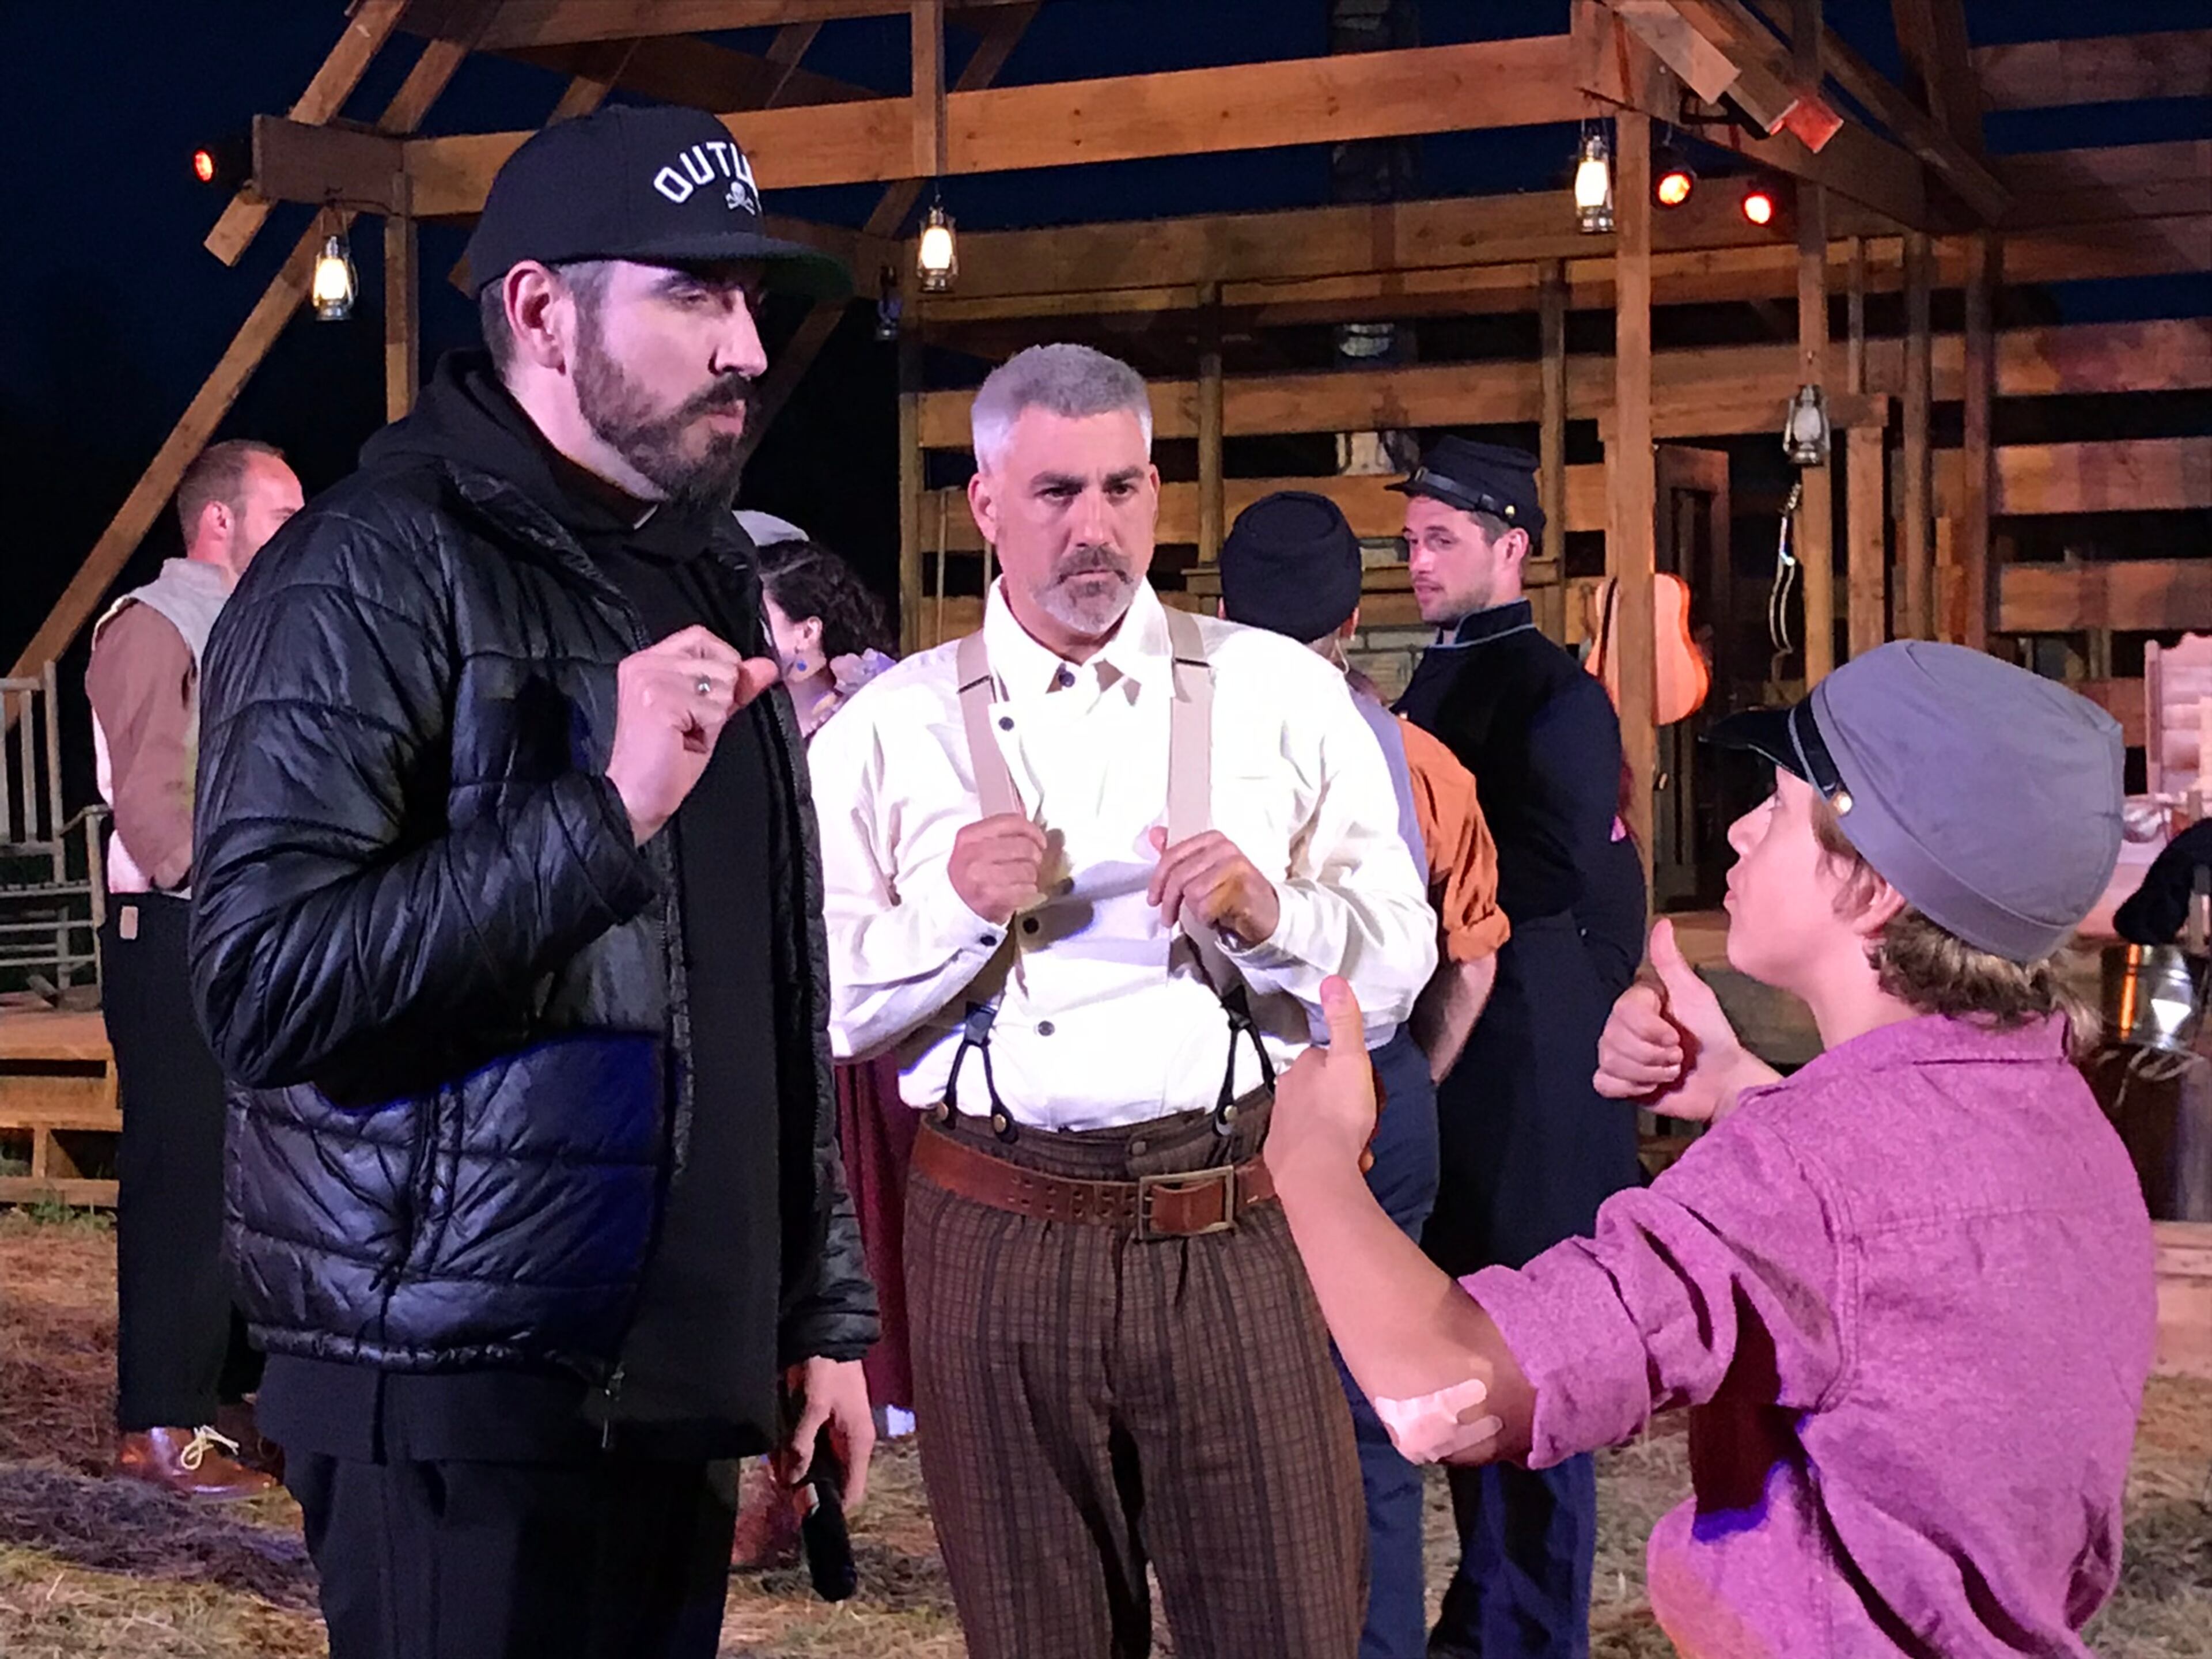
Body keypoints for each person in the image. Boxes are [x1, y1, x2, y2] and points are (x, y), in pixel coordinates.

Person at [187, 105, 875, 1659]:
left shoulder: (705, 571)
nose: (745, 347)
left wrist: (813, 1319)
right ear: (539, 310)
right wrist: (601, 808)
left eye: (749, 301)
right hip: (453, 1399)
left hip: (675, 1393)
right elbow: (262, 986)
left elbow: (769, 982)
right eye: (692, 295)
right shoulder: (367, 568)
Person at [1262, 641, 2154, 1659]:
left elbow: (1446, 1396)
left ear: (1871, 891)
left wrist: (1310, 1157)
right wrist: (1738, 1092)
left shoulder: (1809, 1170)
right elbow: (1897, 1275)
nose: (1735, 829)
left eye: (1775, 809)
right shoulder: (2068, 1127)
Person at [808, 343, 1438, 1658]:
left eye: (1121, 489)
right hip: (996, 1227)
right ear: (984, 504)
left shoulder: (1283, 696)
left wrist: (1278, 921)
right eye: (1054, 494)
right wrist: (953, 913)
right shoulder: (886, 730)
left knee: (1293, 1623)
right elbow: (828, 1007)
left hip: (1230, 1211)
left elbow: (1394, 964)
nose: (1094, 529)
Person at [1215, 488, 1507, 1659]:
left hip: (1228, 1117)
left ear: (1222, 606)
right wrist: (1399, 1081)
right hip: (1384, 1091)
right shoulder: (1423, 762)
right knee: (1381, 1417)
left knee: (1226, 1422)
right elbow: (1472, 964)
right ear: (1351, 616)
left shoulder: (1179, 750)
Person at [1391, 437, 1640, 1657]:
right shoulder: (1435, 677)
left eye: (1443, 539)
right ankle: (1485, 1609)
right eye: (1411, 539)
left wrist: (1573, 1021)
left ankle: (1532, 1630)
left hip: (1532, 1058)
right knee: (1471, 1358)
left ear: (1512, 547)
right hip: (1470, 1042)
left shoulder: (1554, 692)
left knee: (1538, 1365)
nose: (1419, 559)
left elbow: (1590, 873)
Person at [88, 437, 301, 1499]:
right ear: (220, 522)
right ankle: (159, 1422)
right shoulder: (152, 627)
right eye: (280, 514)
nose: (294, 536)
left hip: (235, 928)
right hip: (174, 930)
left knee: (241, 1175)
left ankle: (220, 1408)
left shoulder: (244, 635)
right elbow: (157, 805)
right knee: (182, 1177)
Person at [727, 529, 907, 1571]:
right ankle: (778, 1482)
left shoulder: (857, 735)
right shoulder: (776, 734)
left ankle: (792, 1484)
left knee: (821, 1257)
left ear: (804, 633)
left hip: (837, 1029)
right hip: (783, 1013)